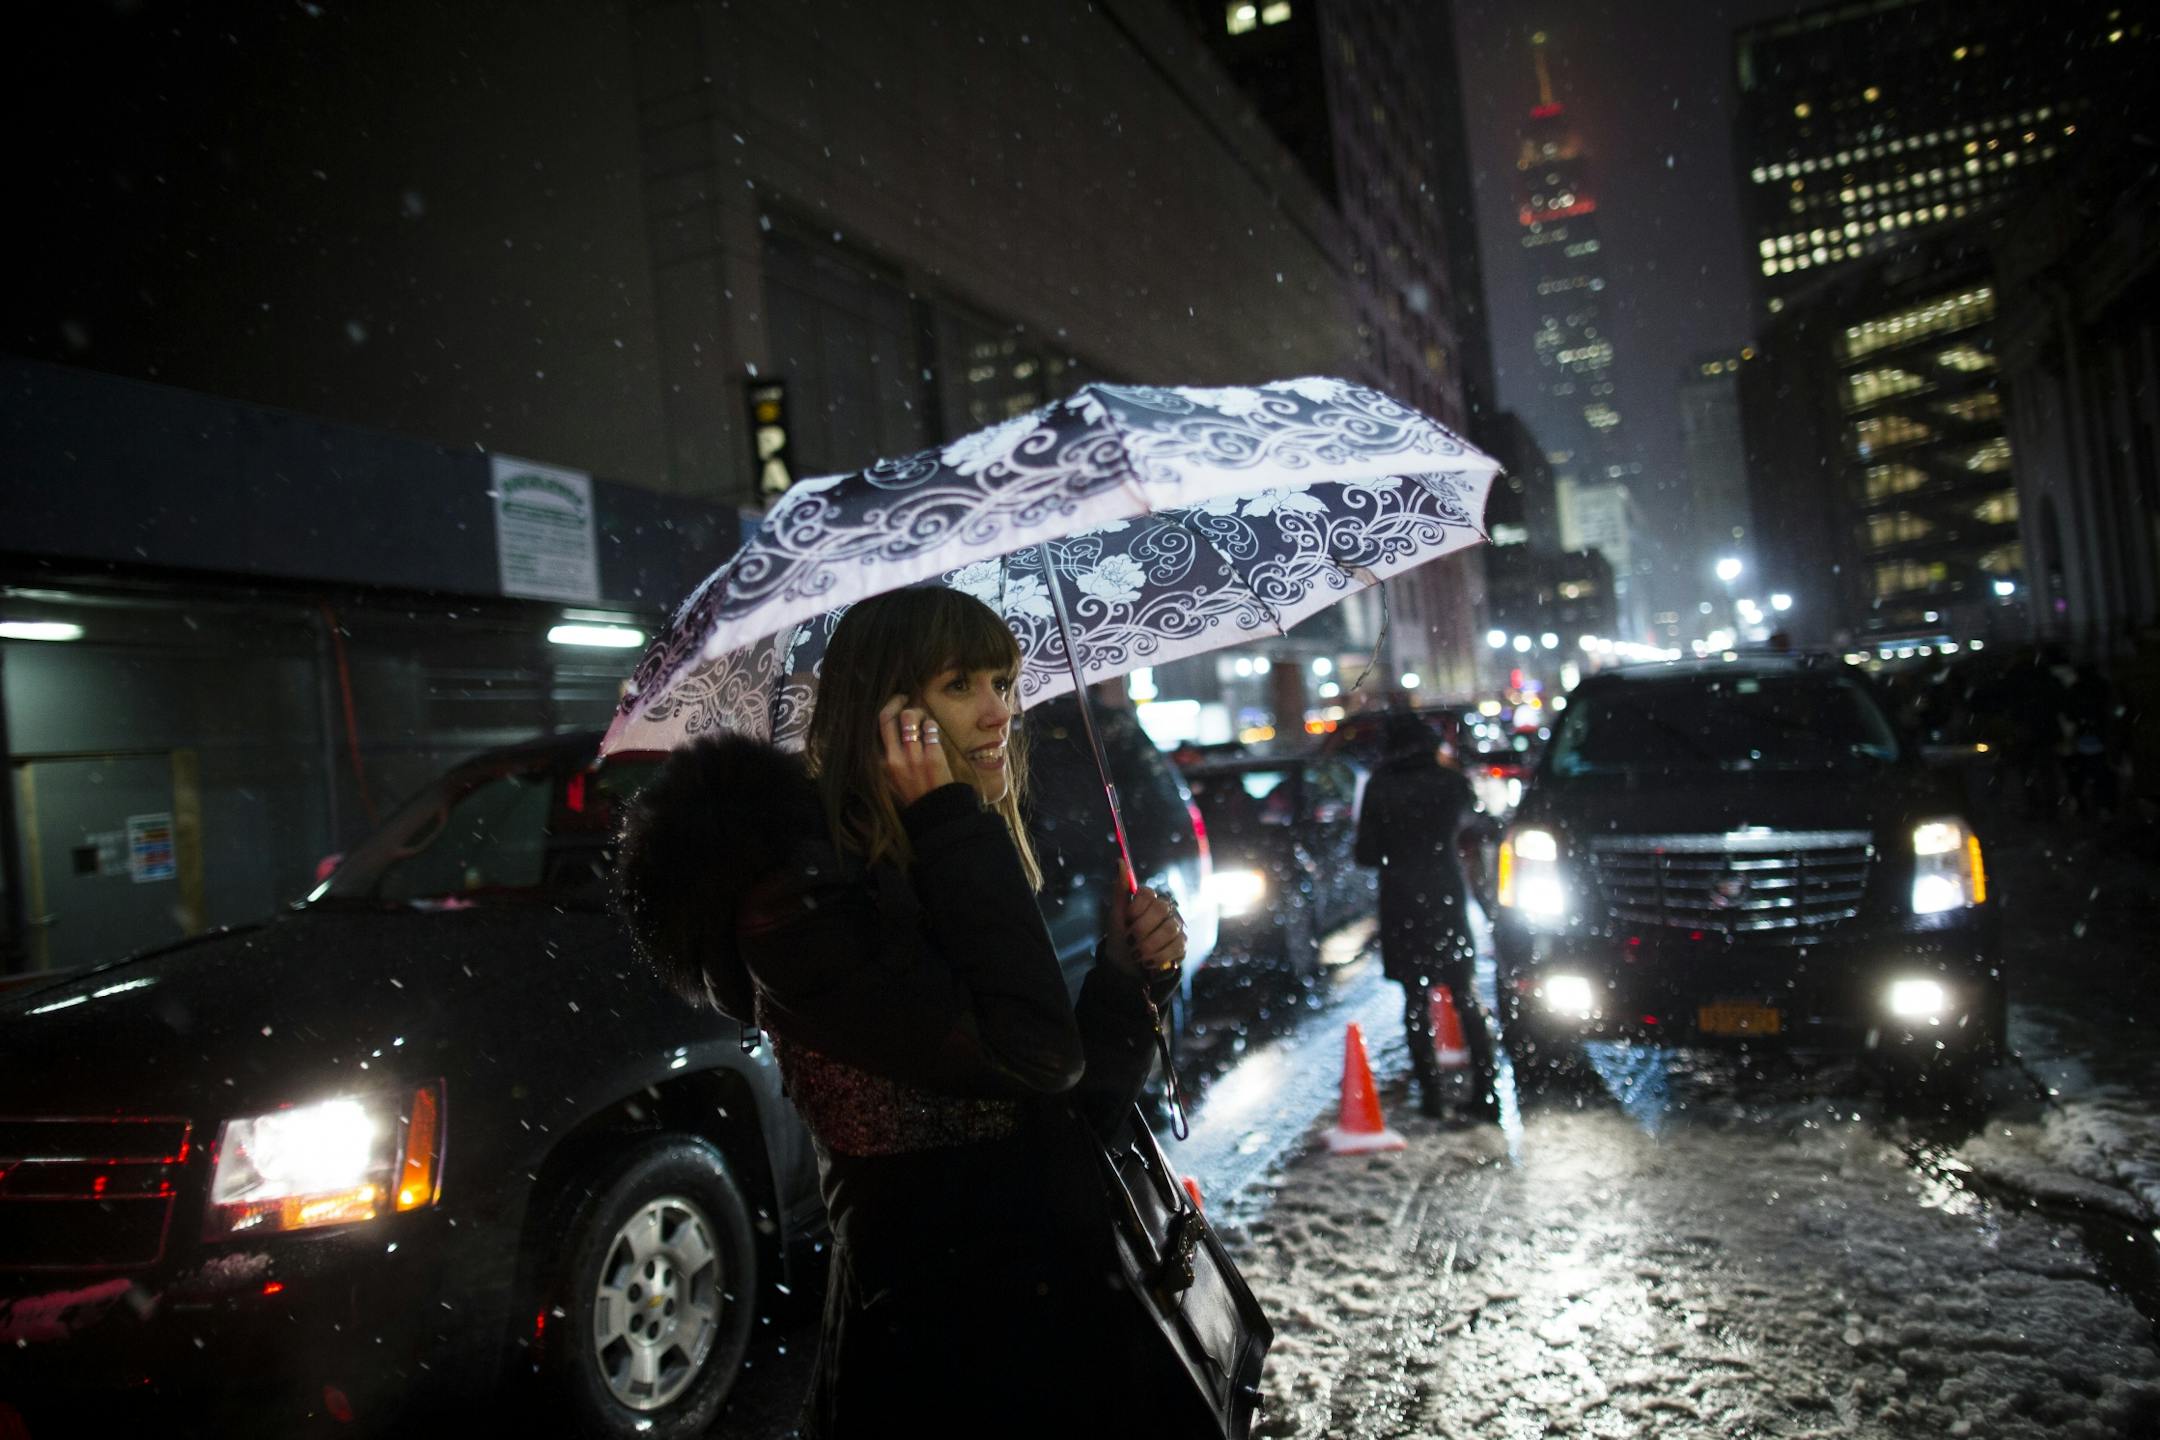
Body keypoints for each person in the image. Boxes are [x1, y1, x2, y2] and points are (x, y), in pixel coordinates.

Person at [614, 586, 1198, 1438]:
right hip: (943, 1350)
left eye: (1005, 681)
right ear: (884, 710)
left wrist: (1126, 978)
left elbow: (1065, 1121)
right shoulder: (806, 906)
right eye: (962, 685)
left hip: (1049, 1317)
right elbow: (1040, 1055)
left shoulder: (934, 858)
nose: (1001, 711)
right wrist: (952, 820)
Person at [1353, 711, 1499, 1120]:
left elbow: (1365, 853)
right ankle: (1486, 1092)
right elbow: (1481, 827)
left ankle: (1432, 1095)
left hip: (1401, 902)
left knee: (1415, 1001)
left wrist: (1393, 849)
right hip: (1445, 897)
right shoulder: (1451, 782)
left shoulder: (1380, 787)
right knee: (1464, 995)